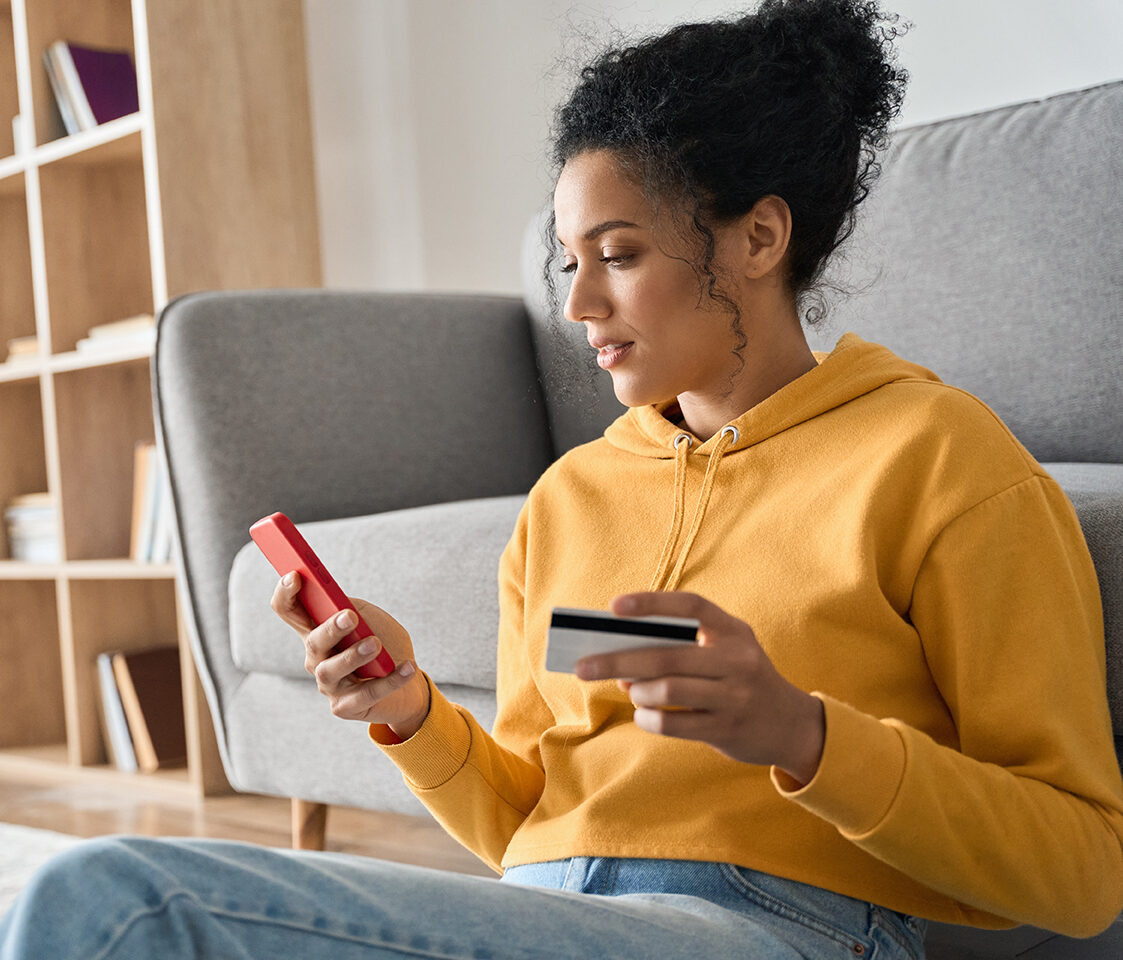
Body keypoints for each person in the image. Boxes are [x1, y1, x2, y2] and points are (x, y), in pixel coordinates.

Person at [4, 1, 1122, 957]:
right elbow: (530, 824)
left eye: (621, 256)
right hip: (555, 914)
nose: (577, 307)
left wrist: (804, 735)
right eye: (567, 262)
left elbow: (1082, 872)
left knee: (115, 905)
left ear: (760, 236)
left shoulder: (939, 460)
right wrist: (407, 713)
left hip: (782, 926)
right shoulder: (570, 500)